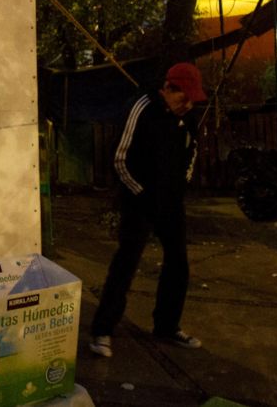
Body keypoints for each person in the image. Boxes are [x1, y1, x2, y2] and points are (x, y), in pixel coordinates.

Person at [88, 62, 208, 358]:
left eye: (193, 98)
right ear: (168, 89)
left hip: (170, 201)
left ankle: (167, 326)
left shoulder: (188, 118)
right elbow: (119, 159)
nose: (188, 103)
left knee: (178, 263)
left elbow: (191, 154)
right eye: (183, 96)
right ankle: (102, 330)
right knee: (126, 262)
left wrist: (179, 187)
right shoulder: (142, 107)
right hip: (138, 199)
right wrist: (142, 193)